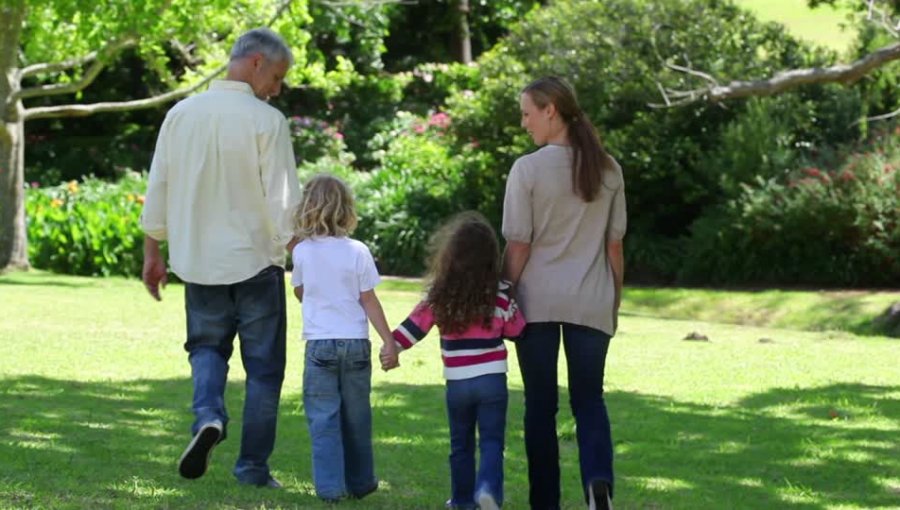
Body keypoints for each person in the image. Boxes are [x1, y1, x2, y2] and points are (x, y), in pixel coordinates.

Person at [140, 27, 301, 488]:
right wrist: (299, 260)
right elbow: (283, 201)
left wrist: (153, 251)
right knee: (265, 370)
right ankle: (252, 467)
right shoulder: (267, 121)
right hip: (255, 265)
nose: (277, 87)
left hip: (199, 264)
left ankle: (208, 415)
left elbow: (159, 186)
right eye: (276, 76)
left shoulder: (180, 114)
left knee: (206, 349)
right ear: (255, 62)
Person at [501, 76, 627, 510]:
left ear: (550, 110)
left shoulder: (527, 170)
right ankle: (598, 485)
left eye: (526, 113)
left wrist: (504, 293)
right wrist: (614, 301)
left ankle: (545, 502)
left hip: (536, 303)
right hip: (592, 301)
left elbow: (519, 244)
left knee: (540, 406)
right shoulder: (608, 169)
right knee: (589, 399)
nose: (523, 123)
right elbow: (614, 246)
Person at [388, 212, 526, 510]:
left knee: (460, 445)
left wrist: (392, 347)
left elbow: (414, 327)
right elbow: (516, 330)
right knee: (491, 442)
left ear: (450, 255)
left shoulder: (440, 294)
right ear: (491, 256)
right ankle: (488, 490)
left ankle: (462, 500)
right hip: (492, 381)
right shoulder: (500, 294)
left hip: (458, 383)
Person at [290, 173, 400, 502]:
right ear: (346, 209)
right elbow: (368, 299)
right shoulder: (358, 250)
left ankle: (329, 489)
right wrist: (389, 340)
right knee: (357, 417)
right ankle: (361, 481)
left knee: (323, 418)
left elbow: (300, 291)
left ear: (308, 207)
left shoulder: (302, 252)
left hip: (319, 346)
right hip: (355, 343)